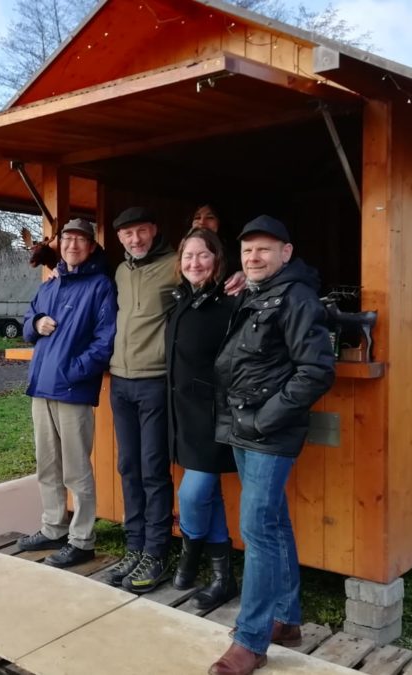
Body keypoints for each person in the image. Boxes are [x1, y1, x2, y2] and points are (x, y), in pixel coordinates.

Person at [207, 215, 336, 675]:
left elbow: (316, 370)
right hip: (244, 426)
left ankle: (251, 639)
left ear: (287, 252)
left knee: (258, 530)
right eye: (247, 251)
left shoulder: (297, 297)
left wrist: (265, 418)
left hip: (268, 431)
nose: (254, 257)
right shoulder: (257, 292)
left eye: (263, 249)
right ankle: (286, 619)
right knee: (274, 524)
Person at [17, 218, 117, 568]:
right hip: (41, 388)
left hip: (72, 390)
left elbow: (105, 341)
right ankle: (53, 527)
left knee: (76, 470)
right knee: (47, 465)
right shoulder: (50, 283)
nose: (73, 245)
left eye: (80, 240)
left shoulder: (101, 286)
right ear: (59, 245)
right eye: (67, 239)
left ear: (91, 247)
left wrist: (73, 372)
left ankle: (82, 539)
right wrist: (35, 324)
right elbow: (28, 321)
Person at [102, 206, 179, 592]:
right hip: (120, 382)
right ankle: (134, 547)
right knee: (128, 466)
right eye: (128, 234)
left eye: (141, 232)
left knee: (153, 469)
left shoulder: (177, 264)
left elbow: (208, 279)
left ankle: (156, 552)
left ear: (154, 230)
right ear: (120, 238)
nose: (135, 240)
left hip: (155, 382)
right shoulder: (120, 270)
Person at [164, 228, 240, 610]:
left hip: (213, 417)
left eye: (202, 255)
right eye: (188, 256)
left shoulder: (230, 303)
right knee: (207, 495)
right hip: (182, 417)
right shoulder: (180, 302)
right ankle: (224, 578)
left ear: (217, 260)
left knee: (193, 494)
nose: (194, 263)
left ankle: (190, 554)